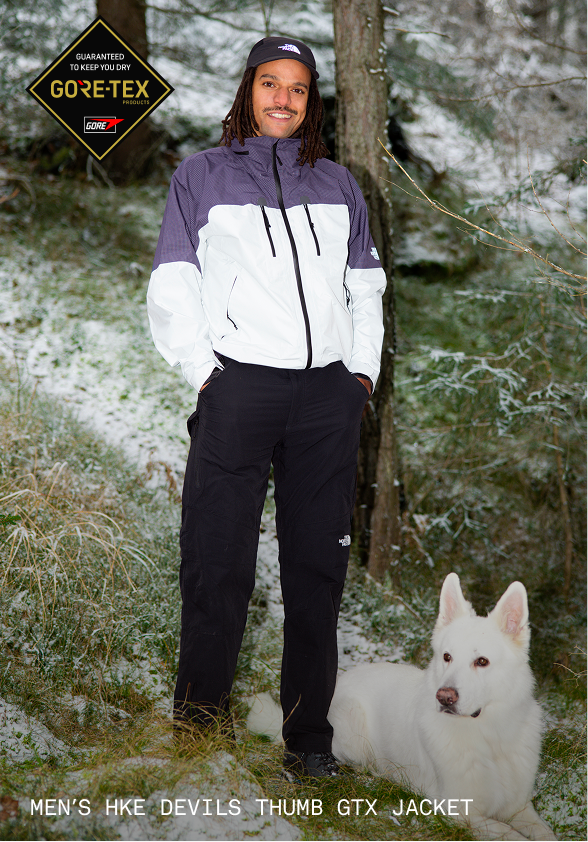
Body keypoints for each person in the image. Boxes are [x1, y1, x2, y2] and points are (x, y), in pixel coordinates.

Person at [147, 35, 386, 778]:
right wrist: (203, 375)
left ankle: (308, 740)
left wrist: (361, 380)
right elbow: (172, 283)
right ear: (247, 91)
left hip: (326, 398)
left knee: (317, 569)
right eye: (270, 84)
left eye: (299, 87)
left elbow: (367, 291)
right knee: (217, 561)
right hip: (238, 390)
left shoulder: (340, 186)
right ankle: (198, 725)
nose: (283, 98)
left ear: (312, 101)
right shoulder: (201, 178)